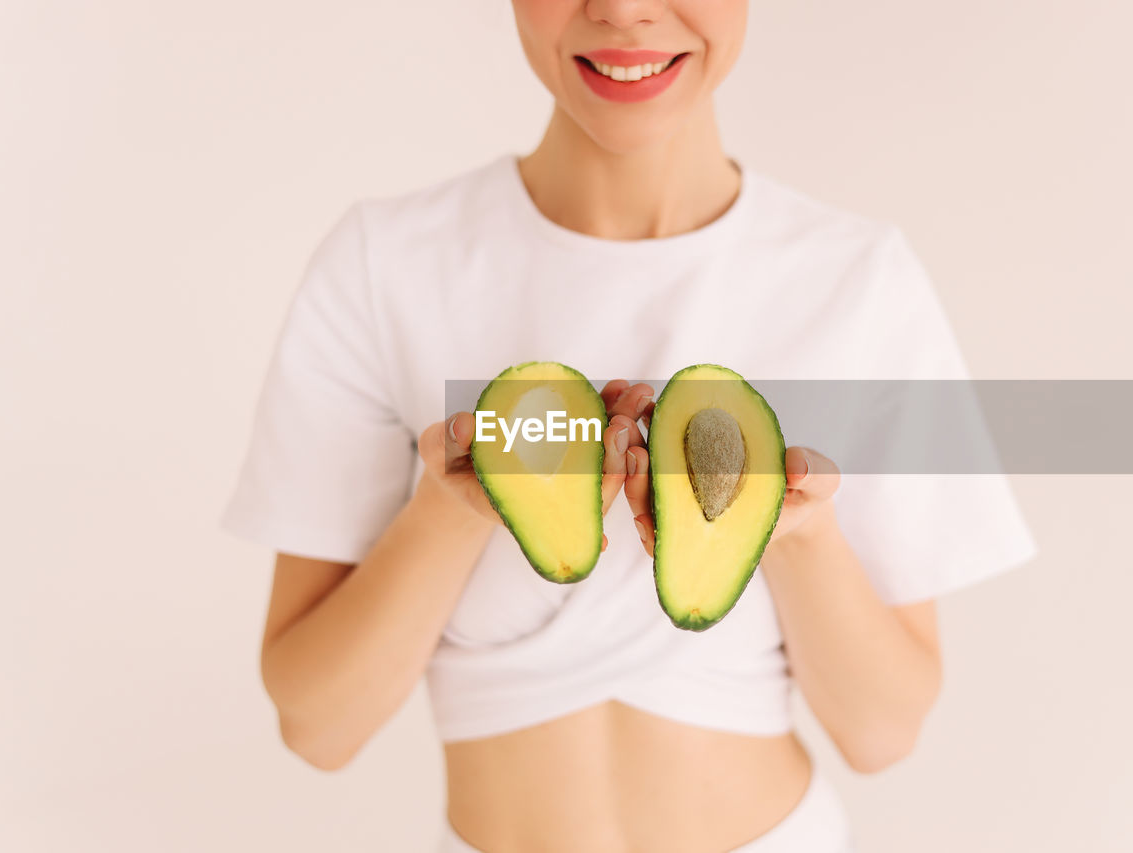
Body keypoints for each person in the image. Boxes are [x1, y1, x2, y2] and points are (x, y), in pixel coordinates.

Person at [220, 2, 1038, 850]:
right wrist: (449, 509)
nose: (624, 9)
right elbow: (317, 726)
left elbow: (883, 733)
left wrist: (795, 531)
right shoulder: (383, 265)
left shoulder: (858, 278)